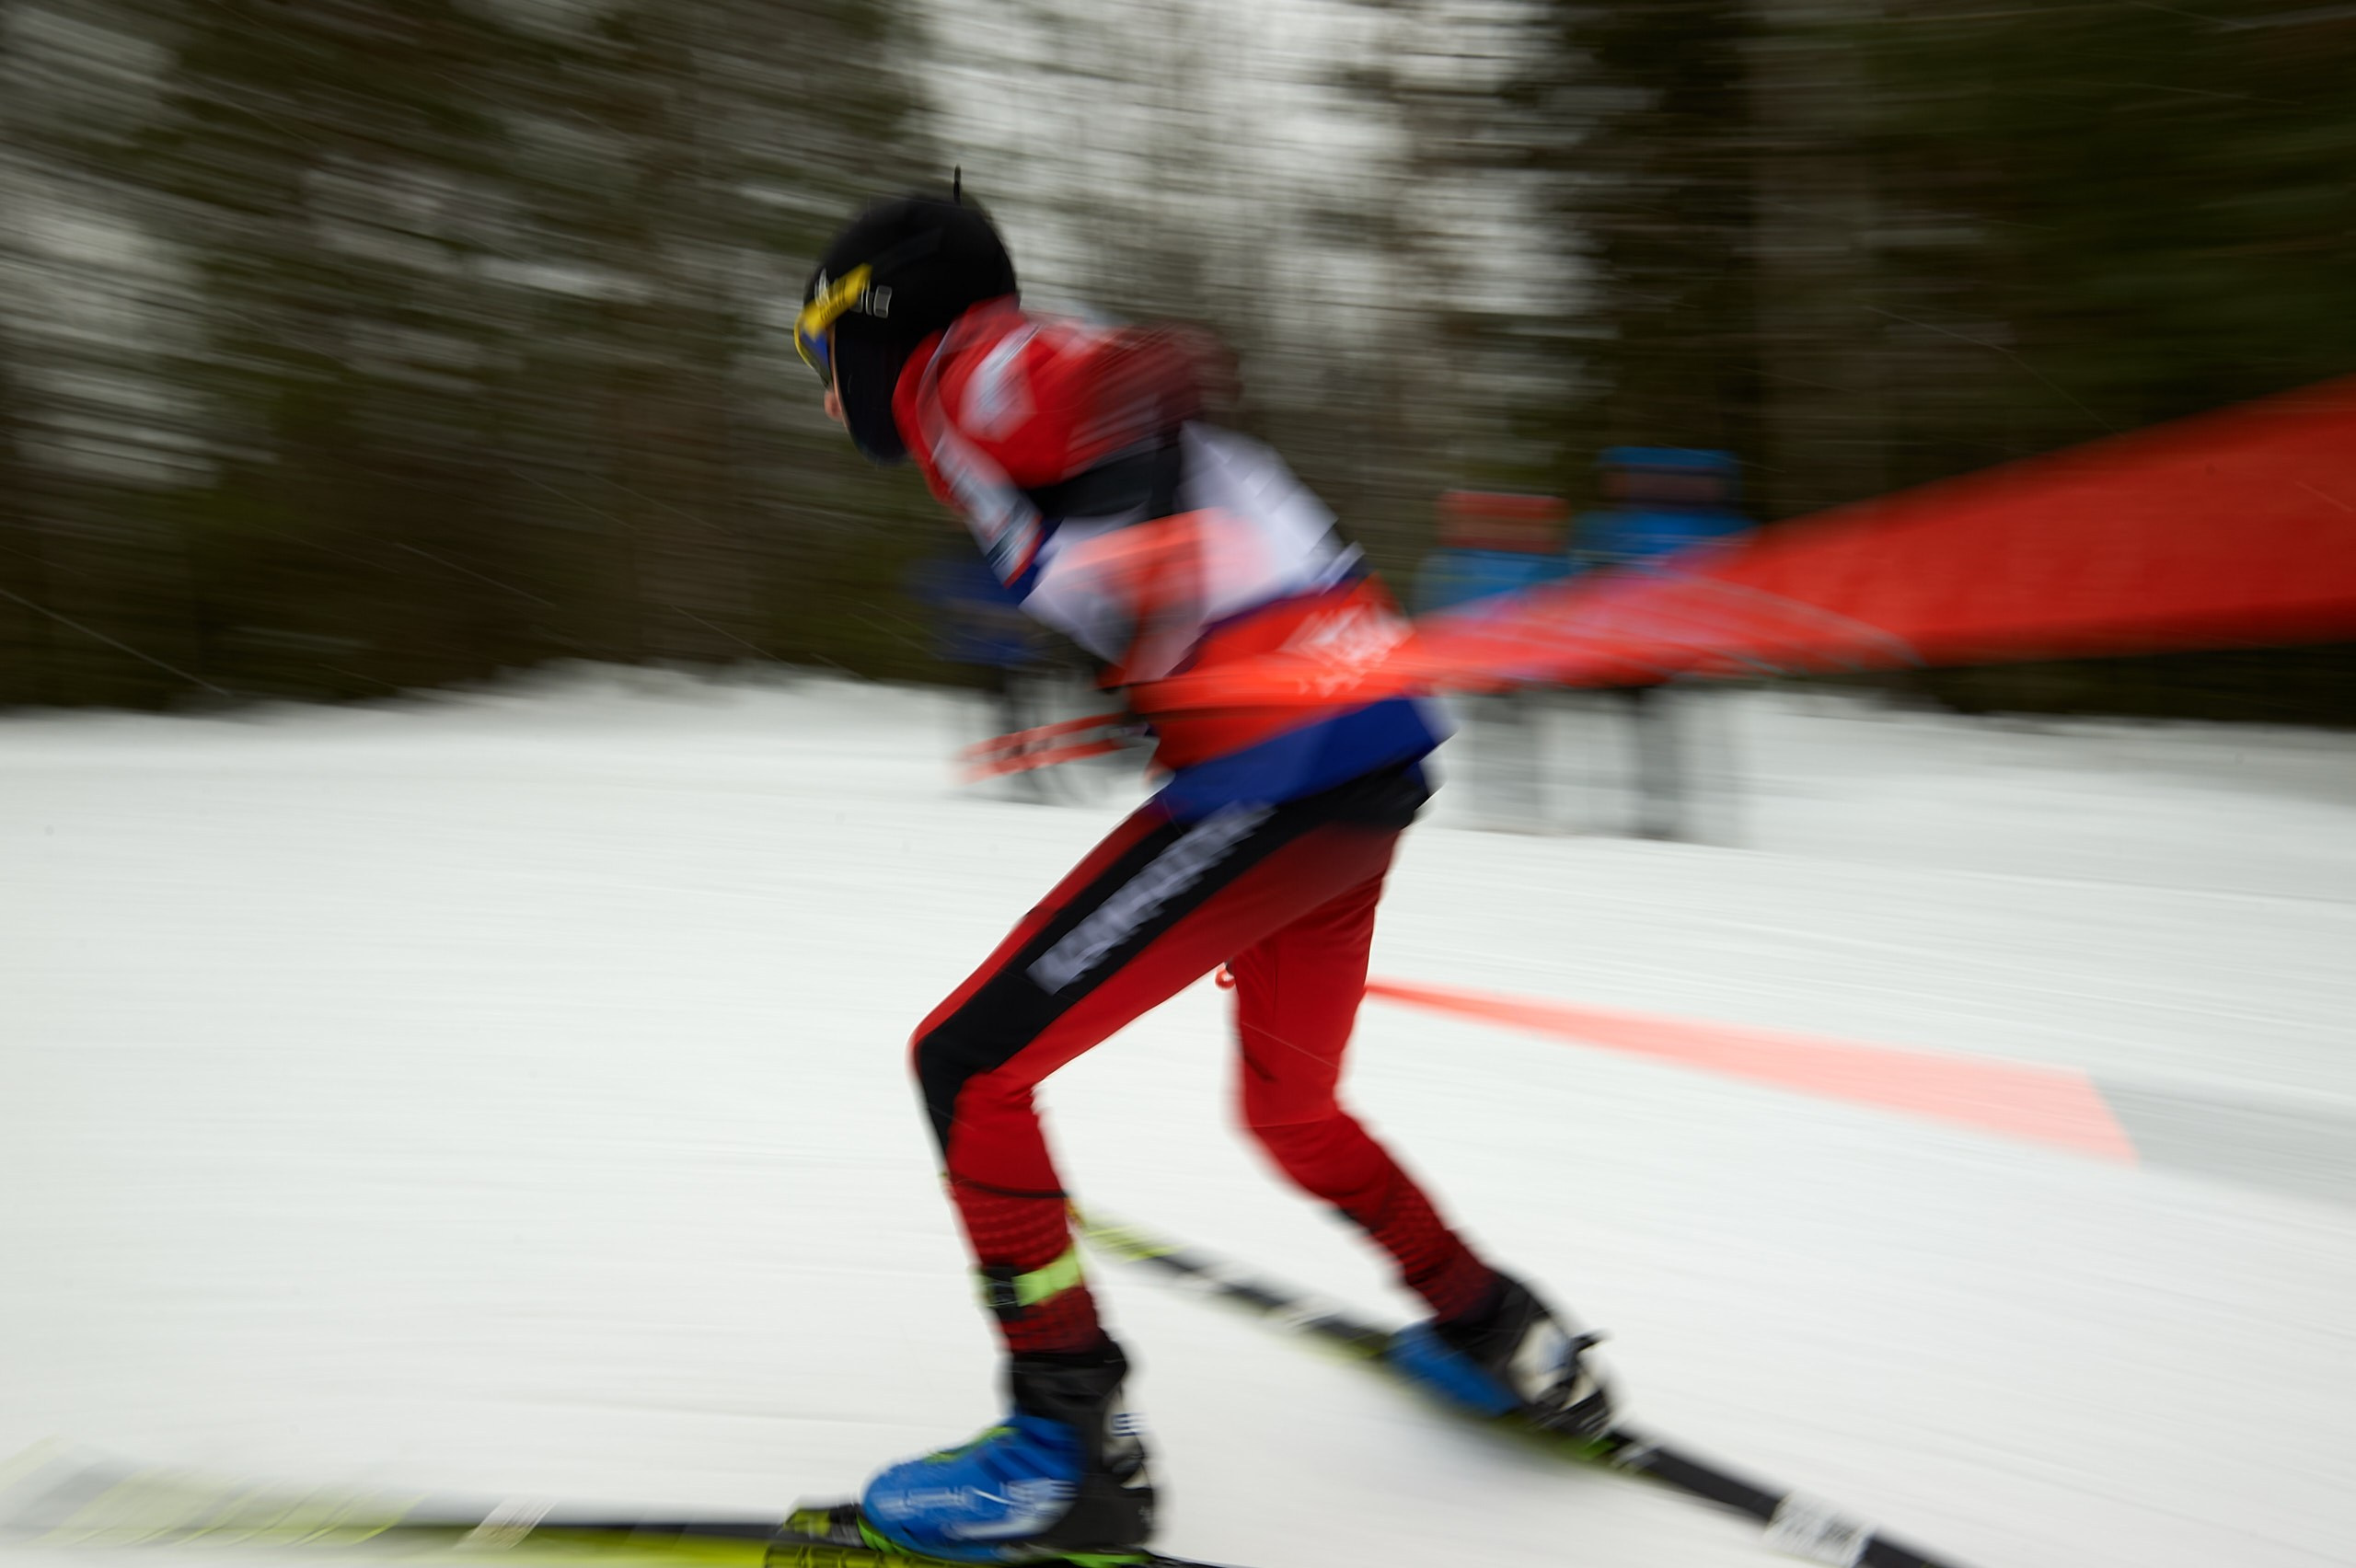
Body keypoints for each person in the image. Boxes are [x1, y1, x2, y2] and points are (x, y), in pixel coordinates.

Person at [796, 186, 1612, 1564]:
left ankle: (1068, 1445)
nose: (829, 399)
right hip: (1364, 753)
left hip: (1284, 770)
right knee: (1291, 1108)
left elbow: (1112, 385)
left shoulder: (967, 367)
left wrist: (1139, 481)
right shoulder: (993, 388)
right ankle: (1499, 1330)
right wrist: (1157, 667)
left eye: (822, 358)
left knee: (969, 1064)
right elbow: (1186, 527)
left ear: (876, 324)